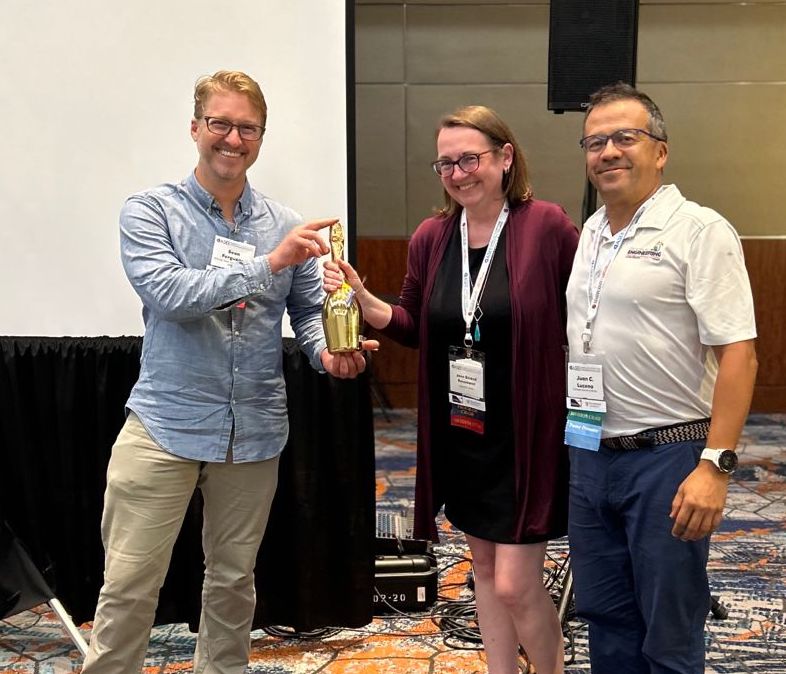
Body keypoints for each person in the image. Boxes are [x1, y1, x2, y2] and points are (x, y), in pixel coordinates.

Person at [81, 70, 377, 674]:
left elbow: (304, 317)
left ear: (260, 139)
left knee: (234, 584)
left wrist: (328, 354)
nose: (233, 139)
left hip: (254, 430)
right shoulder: (149, 211)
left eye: (248, 128)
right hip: (164, 425)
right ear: (195, 129)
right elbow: (170, 293)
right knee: (130, 584)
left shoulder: (281, 220)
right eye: (221, 123)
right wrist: (270, 263)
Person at [325, 105, 578, 674]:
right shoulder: (432, 236)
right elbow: (415, 325)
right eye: (446, 164)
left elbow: (585, 318)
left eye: (471, 158)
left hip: (527, 434)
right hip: (465, 430)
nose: (459, 173)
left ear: (505, 157)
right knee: (484, 571)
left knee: (515, 582)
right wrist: (367, 302)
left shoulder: (548, 227)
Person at [565, 82, 758, 673]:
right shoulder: (593, 231)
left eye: (626, 137)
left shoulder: (699, 231)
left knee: (668, 628)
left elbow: (740, 355)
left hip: (669, 456)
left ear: (661, 150)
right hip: (589, 452)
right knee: (606, 619)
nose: (609, 152)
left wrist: (716, 466)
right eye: (595, 141)